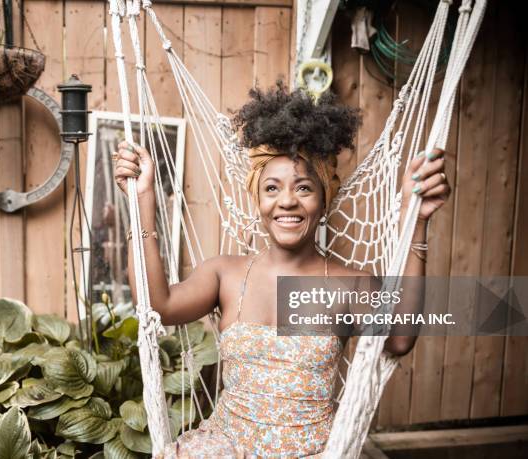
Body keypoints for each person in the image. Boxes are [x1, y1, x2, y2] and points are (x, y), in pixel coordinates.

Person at [113, 83, 450, 458]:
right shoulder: (225, 274)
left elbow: (399, 340)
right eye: (271, 188)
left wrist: (414, 221)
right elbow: (158, 305)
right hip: (224, 447)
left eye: (303, 188)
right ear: (257, 198)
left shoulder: (349, 283)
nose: (286, 201)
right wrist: (142, 199)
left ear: (323, 200)